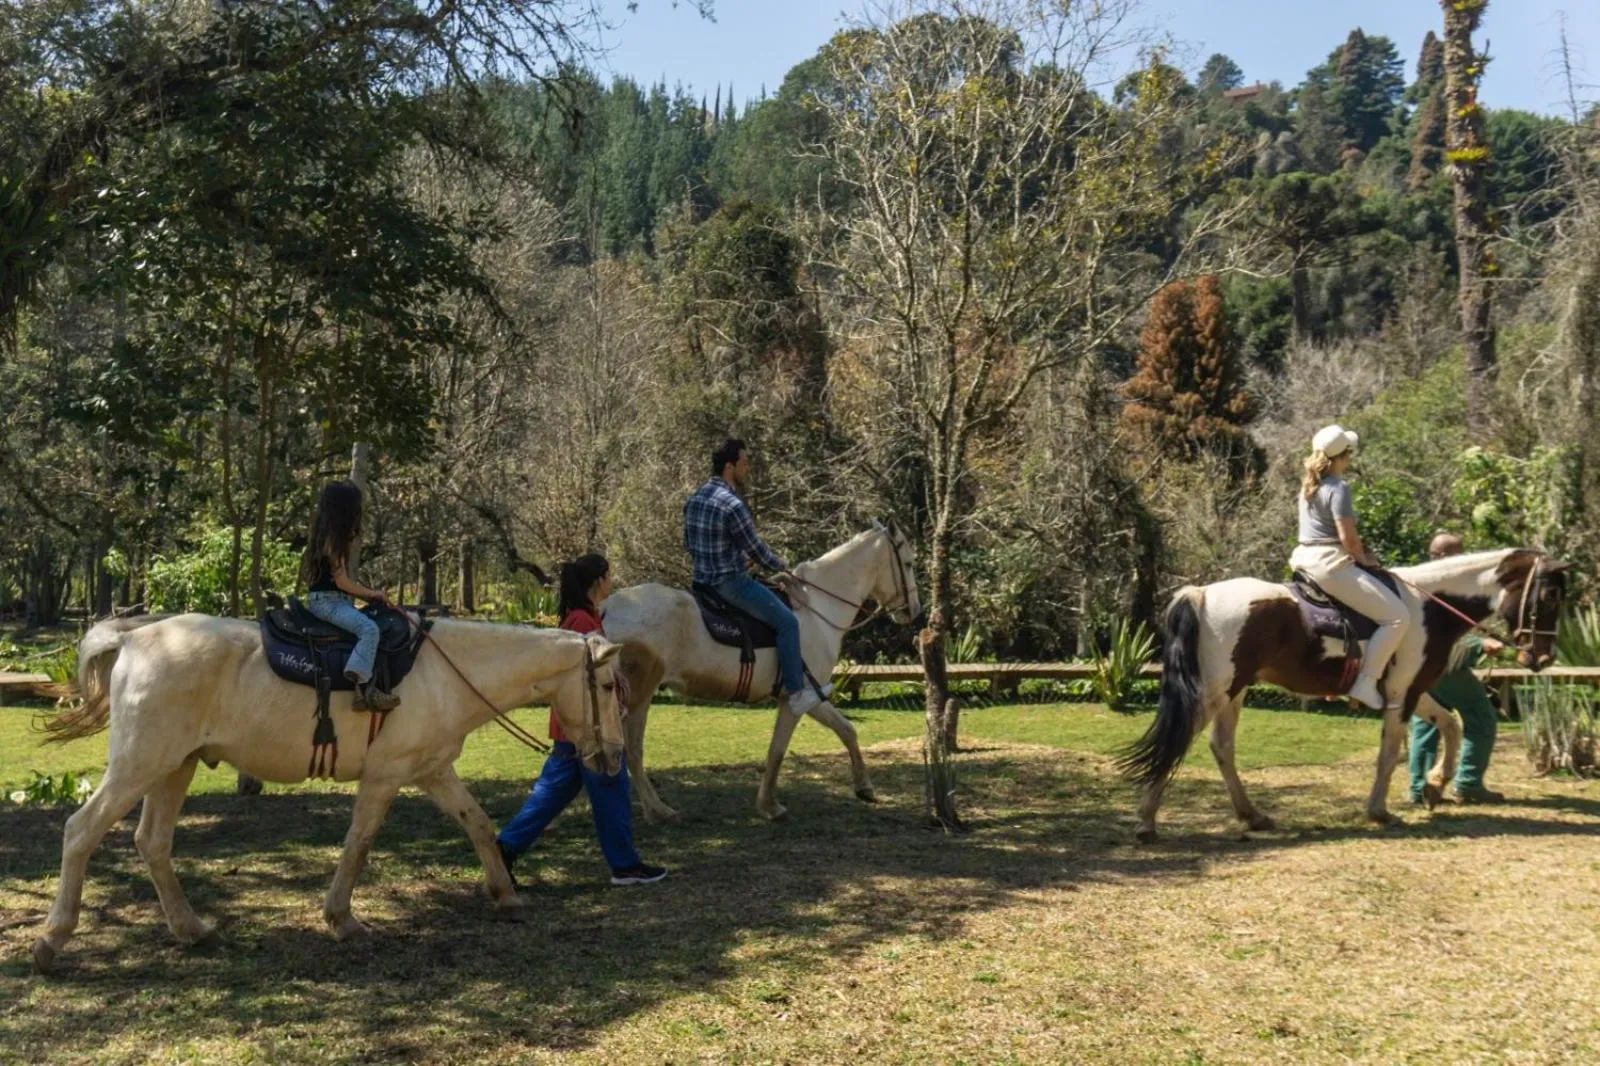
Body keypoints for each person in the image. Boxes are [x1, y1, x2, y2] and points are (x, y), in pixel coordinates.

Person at [496, 554, 667, 887]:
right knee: (612, 788)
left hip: (572, 727)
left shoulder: (581, 618)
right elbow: (586, 680)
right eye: (609, 576)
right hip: (588, 729)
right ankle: (625, 866)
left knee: (551, 795)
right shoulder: (583, 624)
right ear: (598, 581)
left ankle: (502, 852)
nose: (612, 582)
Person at [683, 438, 827, 718]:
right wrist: (783, 565)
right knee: (787, 622)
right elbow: (757, 550)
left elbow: (690, 545)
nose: (748, 468)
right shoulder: (731, 504)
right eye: (745, 462)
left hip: (701, 584)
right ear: (730, 466)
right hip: (731, 585)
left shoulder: (695, 498)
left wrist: (732, 558)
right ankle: (796, 693)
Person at [1288, 424, 1408, 711]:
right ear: (1342, 457)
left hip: (1304, 559)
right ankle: (1366, 683)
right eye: (1348, 454)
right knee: (1397, 618)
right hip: (1330, 563)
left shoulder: (1308, 487)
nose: (1350, 459)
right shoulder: (1338, 488)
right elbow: (1348, 540)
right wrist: (1367, 560)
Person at [1409, 533, 1508, 805]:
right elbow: (1442, 630)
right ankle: (1468, 783)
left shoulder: (1418, 581)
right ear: (1441, 556)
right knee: (1480, 716)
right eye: (1458, 554)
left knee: (1426, 723)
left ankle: (1419, 788)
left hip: (1420, 666)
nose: (1464, 559)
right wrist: (1480, 643)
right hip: (1446, 668)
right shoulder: (1447, 586)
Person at [301, 481, 400, 712]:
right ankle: (363, 686)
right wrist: (373, 593)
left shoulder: (325, 536)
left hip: (330, 600)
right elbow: (342, 582)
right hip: (328, 602)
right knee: (369, 629)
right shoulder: (333, 540)